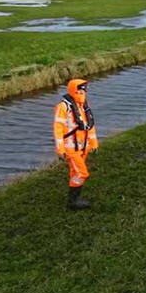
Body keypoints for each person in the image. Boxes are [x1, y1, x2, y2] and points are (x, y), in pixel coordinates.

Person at [54, 78, 99, 210]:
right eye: (79, 90)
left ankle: (74, 199)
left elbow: (89, 127)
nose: (82, 92)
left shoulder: (83, 106)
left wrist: (94, 143)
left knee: (75, 173)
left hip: (83, 147)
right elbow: (58, 129)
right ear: (73, 90)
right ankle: (73, 201)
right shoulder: (63, 107)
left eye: (83, 90)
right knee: (81, 173)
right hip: (71, 148)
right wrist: (60, 149)